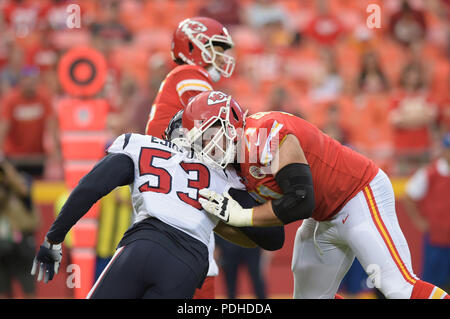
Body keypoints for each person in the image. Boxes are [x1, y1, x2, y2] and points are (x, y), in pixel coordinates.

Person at [31, 92, 283, 298]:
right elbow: (274, 238)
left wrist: (54, 238)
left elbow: (91, 187)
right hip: (187, 263)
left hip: (141, 246)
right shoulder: (226, 176)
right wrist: (230, 213)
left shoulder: (143, 146)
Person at [199, 109, 450, 299]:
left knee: (398, 288)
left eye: (210, 134)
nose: (207, 146)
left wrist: (241, 216)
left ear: (228, 125)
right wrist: (223, 221)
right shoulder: (236, 167)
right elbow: (272, 237)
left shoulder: (261, 135)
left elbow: (300, 200)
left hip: (358, 193)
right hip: (323, 215)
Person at [144, 16, 236, 299]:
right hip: (175, 185)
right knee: (198, 266)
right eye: (217, 47)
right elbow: (214, 130)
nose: (222, 56)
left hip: (167, 182)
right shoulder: (190, 76)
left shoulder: (185, 79)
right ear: (194, 46)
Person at [402, 132, 450, 292]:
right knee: (432, 283)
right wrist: (419, 221)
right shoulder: (431, 173)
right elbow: (408, 194)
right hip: (435, 239)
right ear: (443, 150)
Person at [0, 65, 60, 178]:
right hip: (14, 157)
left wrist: (56, 150)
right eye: (27, 80)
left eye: (33, 81)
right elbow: (4, 127)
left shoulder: (43, 98)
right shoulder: (11, 100)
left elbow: (52, 125)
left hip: (37, 157)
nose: (30, 84)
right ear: (21, 81)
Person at [0, 159, 39, 298]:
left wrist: (9, 175)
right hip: (4, 241)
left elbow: (24, 191)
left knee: (28, 287)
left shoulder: (24, 179)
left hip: (24, 239)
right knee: (3, 289)